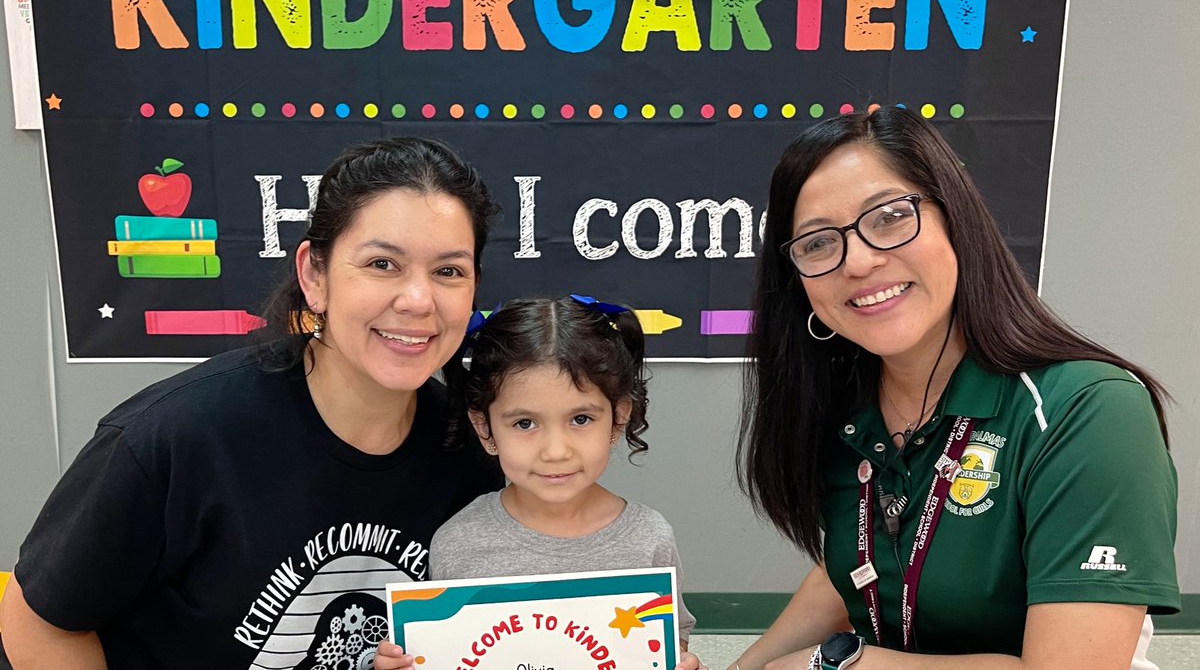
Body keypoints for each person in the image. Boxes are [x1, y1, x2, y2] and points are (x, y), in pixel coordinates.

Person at [0, 137, 506, 669]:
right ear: (315, 275)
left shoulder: (468, 451)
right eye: (382, 264)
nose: (418, 300)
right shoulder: (177, 437)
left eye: (448, 271)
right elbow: (38, 621)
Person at [730, 107, 1179, 670]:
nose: (861, 261)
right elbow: (858, 558)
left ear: (956, 221)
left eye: (890, 216)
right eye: (818, 243)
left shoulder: (1090, 409)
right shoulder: (844, 411)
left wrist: (839, 665)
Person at [376, 294, 700, 670]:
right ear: (484, 427)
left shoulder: (649, 537)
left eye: (580, 419)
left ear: (619, 416)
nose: (555, 451)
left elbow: (670, 637)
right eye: (525, 423)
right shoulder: (459, 540)